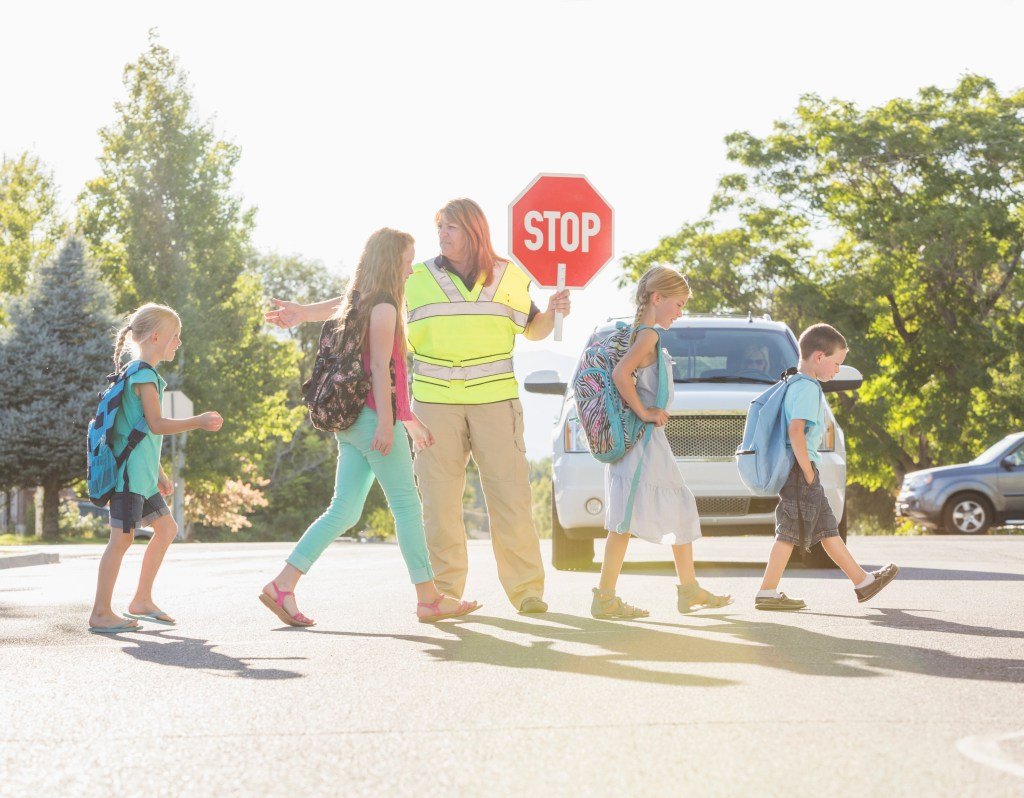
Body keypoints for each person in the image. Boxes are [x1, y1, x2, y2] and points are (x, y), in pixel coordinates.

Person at [267, 200, 570, 614]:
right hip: (432, 405)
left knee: (510, 499)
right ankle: (442, 592)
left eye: (452, 228)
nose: (442, 235)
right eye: (440, 227)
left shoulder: (509, 276)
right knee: (437, 505)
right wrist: (304, 314)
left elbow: (534, 329)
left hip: (494, 402)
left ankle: (526, 591)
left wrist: (552, 314)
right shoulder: (417, 276)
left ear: (475, 231)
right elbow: (359, 300)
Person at [259, 228, 479, 626]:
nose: (412, 268)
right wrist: (389, 424)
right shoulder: (384, 306)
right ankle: (429, 598)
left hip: (353, 421)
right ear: (393, 261)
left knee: (343, 510)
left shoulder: (360, 301)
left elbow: (337, 309)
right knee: (408, 507)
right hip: (374, 420)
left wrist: (408, 422)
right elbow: (381, 368)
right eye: (408, 260)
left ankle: (283, 585)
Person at [592, 266, 732, 619]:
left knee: (651, 514)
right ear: (658, 299)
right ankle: (608, 597)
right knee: (625, 521)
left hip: (646, 443)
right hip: (643, 443)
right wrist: (646, 411)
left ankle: (688, 590)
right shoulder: (649, 336)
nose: (680, 312)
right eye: (679, 304)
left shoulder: (641, 333)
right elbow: (621, 374)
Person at [89, 303, 223, 633]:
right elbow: (158, 424)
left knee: (166, 529)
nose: (178, 342)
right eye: (175, 336)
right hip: (128, 479)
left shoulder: (135, 373)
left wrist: (160, 474)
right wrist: (199, 421)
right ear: (156, 336)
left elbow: (136, 433)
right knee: (120, 541)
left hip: (143, 478)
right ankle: (101, 613)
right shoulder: (143, 375)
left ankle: (141, 600)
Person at [755, 323, 898, 610]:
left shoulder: (794, 383)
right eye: (836, 363)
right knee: (789, 532)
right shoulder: (808, 388)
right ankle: (766, 592)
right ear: (819, 357)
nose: (837, 371)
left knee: (826, 529)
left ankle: (863, 582)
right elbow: (796, 431)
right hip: (802, 470)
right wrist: (808, 471)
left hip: (801, 470)